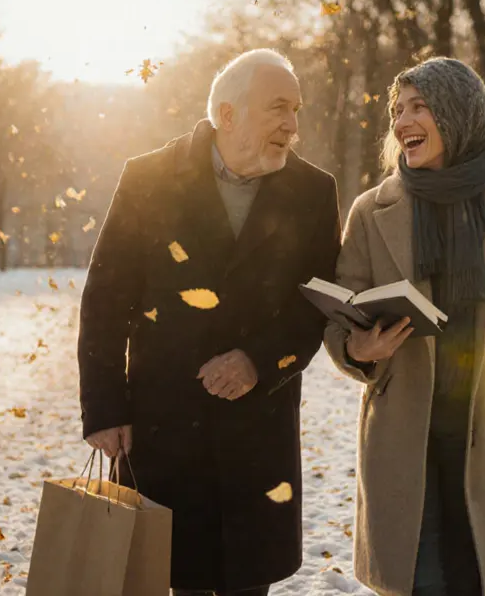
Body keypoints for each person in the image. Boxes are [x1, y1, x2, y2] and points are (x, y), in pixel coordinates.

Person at [77, 49, 341, 596]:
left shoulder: (314, 192)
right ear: (227, 114)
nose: (292, 125)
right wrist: (104, 409)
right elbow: (106, 299)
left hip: (258, 429)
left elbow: (314, 303)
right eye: (277, 109)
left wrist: (257, 361)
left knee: (247, 578)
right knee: (172, 571)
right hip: (163, 423)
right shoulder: (149, 177)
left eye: (296, 109)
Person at [324, 58, 485, 595]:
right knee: (419, 582)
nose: (402, 121)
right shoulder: (370, 211)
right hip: (403, 443)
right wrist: (358, 348)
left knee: (481, 581)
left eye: (418, 107)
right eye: (397, 111)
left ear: (459, 112)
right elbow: (340, 323)